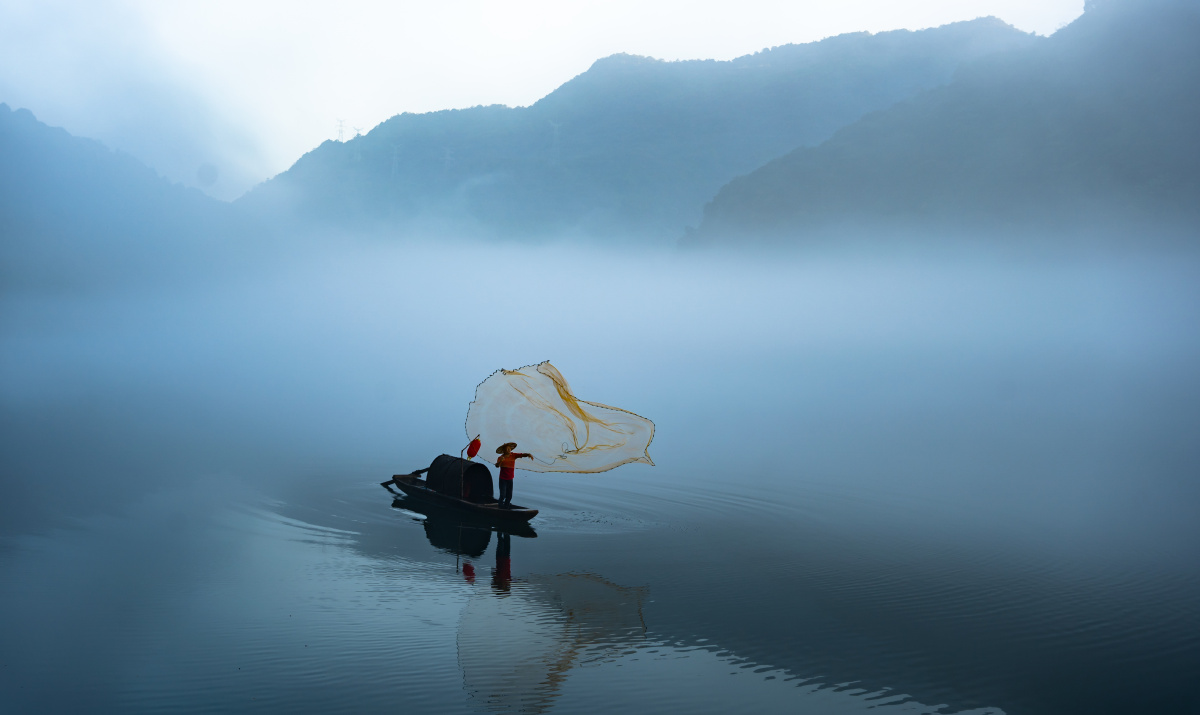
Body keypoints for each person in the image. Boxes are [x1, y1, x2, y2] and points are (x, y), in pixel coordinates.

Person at [494, 442, 531, 506]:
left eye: (509, 448)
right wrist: (501, 461)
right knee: (502, 495)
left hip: (510, 479)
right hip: (503, 479)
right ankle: (500, 507)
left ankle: (506, 508)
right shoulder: (500, 457)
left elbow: (521, 455)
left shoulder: (513, 455)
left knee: (509, 496)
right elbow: (497, 466)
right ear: (504, 450)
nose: (508, 450)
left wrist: (528, 454)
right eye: (506, 449)